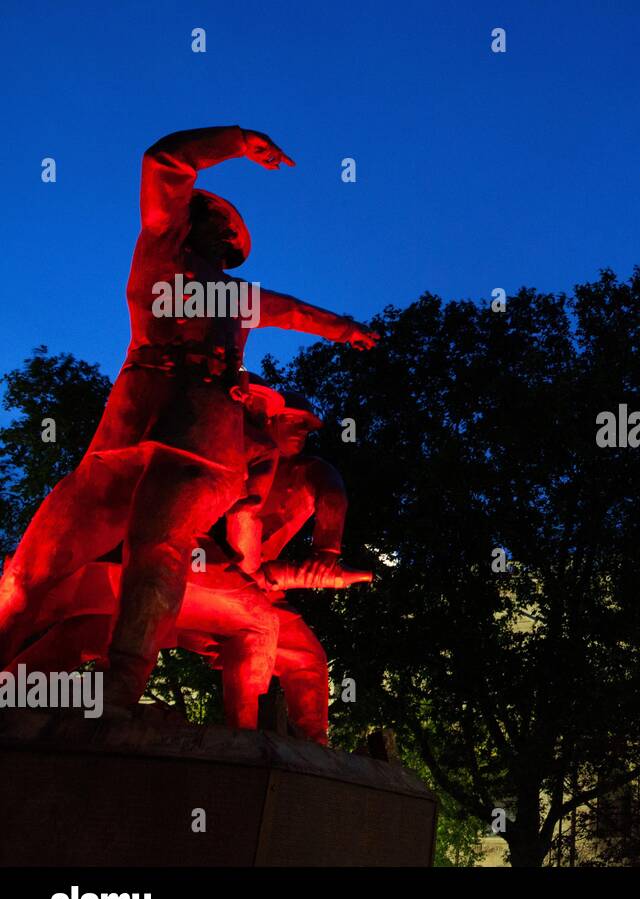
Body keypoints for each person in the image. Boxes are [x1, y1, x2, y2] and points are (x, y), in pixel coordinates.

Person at [0, 127, 377, 711]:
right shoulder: (157, 258)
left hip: (201, 445)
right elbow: (165, 161)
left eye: (201, 214)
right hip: (122, 437)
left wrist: (346, 330)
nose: (188, 215)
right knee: (29, 569)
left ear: (221, 235)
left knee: (157, 551)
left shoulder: (236, 299)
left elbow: (297, 313)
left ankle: (119, 692)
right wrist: (239, 141)